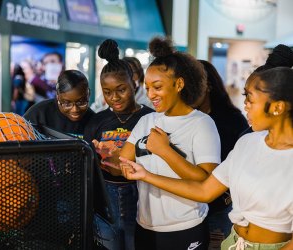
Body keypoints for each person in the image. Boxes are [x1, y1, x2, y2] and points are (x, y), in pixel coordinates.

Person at [121, 66, 293, 250]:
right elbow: (205, 191)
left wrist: (164, 152)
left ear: (277, 107)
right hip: (234, 243)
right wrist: (145, 175)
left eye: (250, 99)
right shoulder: (247, 143)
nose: (245, 106)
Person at [94, 37, 221, 250]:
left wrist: (165, 151)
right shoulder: (147, 120)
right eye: (147, 87)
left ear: (179, 84)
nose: (150, 95)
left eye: (158, 87)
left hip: (185, 228)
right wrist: (108, 156)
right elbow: (124, 165)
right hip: (145, 227)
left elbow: (206, 181)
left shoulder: (201, 123)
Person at [83, 39, 153, 250]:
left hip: (142, 195)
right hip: (106, 197)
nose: (114, 98)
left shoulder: (150, 118)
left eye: (121, 89)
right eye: (107, 92)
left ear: (134, 83)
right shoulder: (97, 120)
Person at [195, 60, 249, 248]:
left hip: (219, 207)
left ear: (207, 85)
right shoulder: (183, 119)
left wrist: (229, 194)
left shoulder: (233, 120)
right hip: (188, 207)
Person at [24, 69, 95, 139]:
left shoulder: (94, 121)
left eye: (81, 103)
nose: (75, 110)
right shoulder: (38, 114)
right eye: (67, 104)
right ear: (58, 96)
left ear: (88, 95)